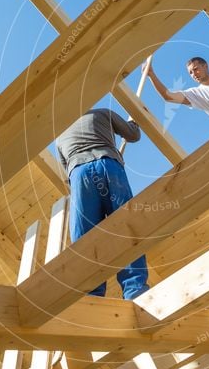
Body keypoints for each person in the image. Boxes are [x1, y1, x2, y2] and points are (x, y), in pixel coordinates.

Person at [56, 108, 150, 300]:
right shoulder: (101, 113)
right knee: (125, 228)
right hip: (108, 165)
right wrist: (133, 124)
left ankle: (93, 296)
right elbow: (132, 136)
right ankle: (135, 290)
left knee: (85, 238)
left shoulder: (59, 136)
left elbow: (66, 173)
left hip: (79, 174)